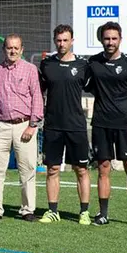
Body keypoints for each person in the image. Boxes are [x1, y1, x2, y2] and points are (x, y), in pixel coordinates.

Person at [86, 21, 127, 228]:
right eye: (106, 38)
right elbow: (85, 85)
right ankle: (103, 214)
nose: (110, 42)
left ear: (120, 39)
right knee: (103, 168)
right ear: (101, 40)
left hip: (126, 125)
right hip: (101, 124)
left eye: (114, 38)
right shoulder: (93, 63)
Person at [38, 25, 92, 225]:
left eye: (65, 40)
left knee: (81, 170)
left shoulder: (83, 66)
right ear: (54, 41)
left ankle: (84, 212)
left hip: (76, 125)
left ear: (72, 41)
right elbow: (38, 92)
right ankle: (53, 211)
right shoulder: (46, 65)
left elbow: (97, 88)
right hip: (52, 125)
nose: (61, 44)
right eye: (58, 40)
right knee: (52, 169)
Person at [0, 34, 43, 222]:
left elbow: (37, 97)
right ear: (4, 49)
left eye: (16, 48)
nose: (12, 51)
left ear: (22, 49)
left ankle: (27, 210)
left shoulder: (30, 70)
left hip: (23, 125)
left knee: (27, 169)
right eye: (9, 47)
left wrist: (33, 124)